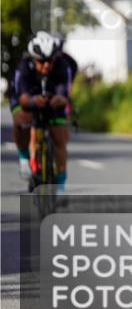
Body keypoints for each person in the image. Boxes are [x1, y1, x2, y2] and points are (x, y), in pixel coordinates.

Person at [10, 31, 74, 191]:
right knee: (22, 120)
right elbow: (22, 97)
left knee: (59, 136)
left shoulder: (62, 65)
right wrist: (32, 101)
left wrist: (58, 100)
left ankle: (60, 184)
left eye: (50, 61)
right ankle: (24, 157)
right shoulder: (24, 66)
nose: (46, 64)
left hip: (52, 99)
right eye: (42, 61)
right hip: (28, 98)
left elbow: (63, 94)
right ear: (33, 58)